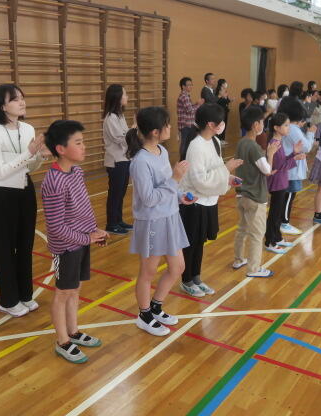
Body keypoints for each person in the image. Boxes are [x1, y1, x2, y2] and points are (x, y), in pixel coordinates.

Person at [42, 120, 108, 363]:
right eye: (78, 143)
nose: (84, 147)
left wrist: (94, 231)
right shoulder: (53, 181)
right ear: (61, 149)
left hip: (81, 242)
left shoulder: (77, 172)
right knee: (63, 292)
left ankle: (73, 331)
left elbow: (82, 209)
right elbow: (56, 227)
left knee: (75, 288)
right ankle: (62, 341)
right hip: (65, 248)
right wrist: (85, 237)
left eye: (83, 142)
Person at [126, 106, 194, 336]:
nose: (170, 127)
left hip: (170, 216)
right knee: (149, 271)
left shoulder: (162, 151)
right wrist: (175, 179)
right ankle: (144, 315)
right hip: (152, 221)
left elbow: (166, 185)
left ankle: (155, 307)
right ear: (155, 131)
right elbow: (148, 198)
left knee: (178, 267)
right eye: (167, 124)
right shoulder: (140, 161)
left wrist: (179, 195)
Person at [0, 84, 45, 318]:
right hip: (2, 194)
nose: (22, 102)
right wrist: (28, 153)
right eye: (15, 99)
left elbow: (29, 167)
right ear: (2, 106)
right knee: (4, 247)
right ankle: (7, 299)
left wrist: (39, 156)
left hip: (24, 188)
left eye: (22, 98)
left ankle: (25, 294)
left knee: (25, 244)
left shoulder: (27, 128)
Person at [178, 103, 243, 297]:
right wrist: (226, 170)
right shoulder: (196, 146)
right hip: (194, 202)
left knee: (200, 243)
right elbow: (200, 181)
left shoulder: (214, 140)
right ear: (210, 124)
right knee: (191, 243)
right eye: (220, 122)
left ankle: (196, 277)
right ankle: (186, 280)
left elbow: (216, 168)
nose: (223, 124)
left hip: (209, 201)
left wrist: (229, 178)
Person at [233, 106, 279, 278]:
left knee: (242, 229)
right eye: (261, 122)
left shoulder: (241, 142)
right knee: (257, 234)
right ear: (255, 125)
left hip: (241, 194)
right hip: (254, 196)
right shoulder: (253, 146)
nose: (263, 125)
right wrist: (271, 154)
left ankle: (238, 259)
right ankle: (253, 269)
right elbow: (266, 170)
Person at [264, 112, 305, 253]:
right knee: (274, 214)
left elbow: (282, 162)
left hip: (281, 182)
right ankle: (270, 241)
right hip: (276, 183)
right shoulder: (274, 144)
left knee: (278, 213)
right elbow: (277, 167)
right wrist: (295, 158)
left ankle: (277, 237)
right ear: (276, 128)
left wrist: (293, 153)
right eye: (286, 125)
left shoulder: (279, 142)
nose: (289, 128)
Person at [279, 99, 317, 235]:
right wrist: (311, 133)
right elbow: (306, 147)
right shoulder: (293, 129)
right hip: (291, 168)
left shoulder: (288, 126)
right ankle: (284, 222)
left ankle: (282, 221)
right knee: (289, 195)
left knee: (286, 195)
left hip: (288, 166)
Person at [102, 84, 134, 235]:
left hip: (124, 159)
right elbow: (121, 138)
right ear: (117, 97)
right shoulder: (111, 118)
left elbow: (126, 136)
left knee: (121, 192)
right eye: (124, 94)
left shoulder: (120, 116)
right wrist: (134, 129)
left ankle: (118, 220)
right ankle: (111, 223)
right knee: (115, 193)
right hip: (116, 161)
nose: (127, 97)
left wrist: (132, 131)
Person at [177, 77, 199, 158]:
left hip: (188, 124)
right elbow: (189, 110)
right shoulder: (184, 96)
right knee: (185, 143)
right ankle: (182, 159)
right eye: (189, 85)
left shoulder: (186, 96)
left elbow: (189, 108)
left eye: (191, 85)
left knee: (187, 143)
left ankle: (185, 158)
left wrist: (196, 104)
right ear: (183, 86)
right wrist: (198, 105)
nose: (191, 86)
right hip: (185, 125)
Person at [215, 78, 231, 144]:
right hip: (220, 110)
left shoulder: (225, 91)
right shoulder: (219, 91)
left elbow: (226, 100)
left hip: (225, 110)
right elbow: (219, 101)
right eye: (224, 83)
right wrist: (226, 99)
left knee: (224, 124)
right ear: (221, 84)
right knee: (220, 125)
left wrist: (229, 99)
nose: (226, 84)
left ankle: (222, 139)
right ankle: (219, 139)